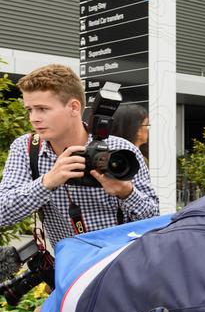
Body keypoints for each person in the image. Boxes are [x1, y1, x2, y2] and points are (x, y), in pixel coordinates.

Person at [0, 64, 159, 246]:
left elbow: (153, 220)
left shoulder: (120, 149)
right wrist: (48, 182)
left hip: (120, 261)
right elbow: (2, 214)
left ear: (74, 107)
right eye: (30, 109)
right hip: (70, 267)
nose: (33, 118)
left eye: (42, 109)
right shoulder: (26, 148)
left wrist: (126, 193)